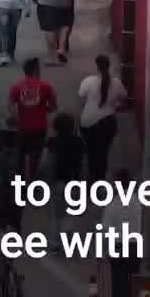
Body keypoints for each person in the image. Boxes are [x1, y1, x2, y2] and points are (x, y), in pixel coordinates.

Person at [78, 54, 127, 184]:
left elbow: (81, 99)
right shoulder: (116, 83)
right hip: (107, 123)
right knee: (103, 152)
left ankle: (91, 176)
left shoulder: (88, 81)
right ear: (108, 66)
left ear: (96, 66)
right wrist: (115, 105)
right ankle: (99, 179)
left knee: (90, 151)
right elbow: (124, 99)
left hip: (88, 122)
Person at [7, 58, 56, 179]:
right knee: (35, 156)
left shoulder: (16, 87)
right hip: (40, 127)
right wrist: (43, 109)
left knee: (21, 155)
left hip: (22, 126)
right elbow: (53, 106)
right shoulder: (46, 86)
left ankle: (20, 181)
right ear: (35, 70)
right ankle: (33, 179)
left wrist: (14, 116)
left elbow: (10, 106)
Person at [43, 112, 85, 245]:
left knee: (56, 215)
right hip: (74, 182)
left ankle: (55, 244)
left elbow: (44, 162)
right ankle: (69, 232)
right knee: (71, 212)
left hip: (57, 182)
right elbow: (84, 163)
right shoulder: (79, 142)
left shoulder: (51, 142)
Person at [103, 168, 142, 297]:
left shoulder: (112, 204)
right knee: (133, 285)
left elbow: (106, 229)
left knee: (118, 285)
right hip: (135, 247)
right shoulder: (138, 202)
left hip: (118, 247)